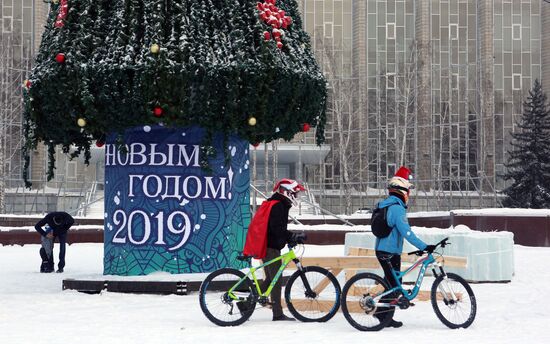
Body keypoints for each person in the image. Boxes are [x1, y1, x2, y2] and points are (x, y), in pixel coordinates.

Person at [374, 166, 435, 328]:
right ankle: (381, 316)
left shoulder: (386, 205)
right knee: (394, 285)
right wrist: (424, 246)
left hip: (386, 250)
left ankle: (384, 316)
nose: (409, 195)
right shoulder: (397, 208)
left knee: (393, 283)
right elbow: (406, 232)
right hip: (388, 252)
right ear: (402, 190)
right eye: (409, 190)